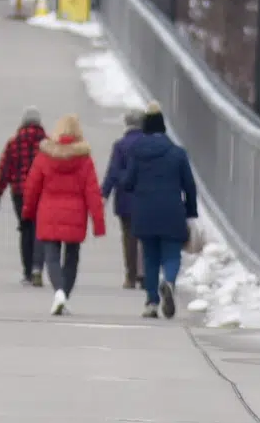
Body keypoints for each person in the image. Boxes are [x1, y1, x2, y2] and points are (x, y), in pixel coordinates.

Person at [22, 114, 106, 316]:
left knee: (51, 256)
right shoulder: (84, 159)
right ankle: (64, 295)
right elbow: (93, 192)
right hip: (75, 214)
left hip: (49, 212)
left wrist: (28, 211)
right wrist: (98, 223)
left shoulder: (45, 156)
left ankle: (58, 292)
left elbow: (32, 187)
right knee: (72, 257)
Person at [123, 102, 199, 319]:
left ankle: (151, 303)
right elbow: (189, 186)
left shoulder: (136, 153)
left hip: (145, 213)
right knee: (172, 255)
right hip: (172, 212)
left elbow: (128, 182)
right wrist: (191, 212)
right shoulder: (177, 153)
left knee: (150, 258)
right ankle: (169, 282)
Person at [0, 107, 48, 286]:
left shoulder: (14, 143)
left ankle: (27, 272)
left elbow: (4, 170)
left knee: (25, 229)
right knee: (40, 230)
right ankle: (37, 268)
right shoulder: (48, 144)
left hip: (20, 193)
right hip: (42, 192)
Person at [100, 109, 146, 289]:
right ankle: (145, 274)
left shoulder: (120, 146)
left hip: (125, 198)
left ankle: (130, 276)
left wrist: (104, 194)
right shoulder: (150, 145)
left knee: (128, 236)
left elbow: (112, 172)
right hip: (147, 197)